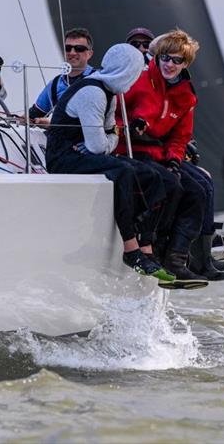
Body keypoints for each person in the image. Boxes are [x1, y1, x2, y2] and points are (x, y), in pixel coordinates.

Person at [45, 43, 175, 283]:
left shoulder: (109, 92)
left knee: (153, 176)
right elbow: (99, 144)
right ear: (127, 70)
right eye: (136, 71)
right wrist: (105, 140)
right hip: (63, 157)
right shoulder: (92, 92)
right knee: (123, 170)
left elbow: (107, 139)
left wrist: (105, 140)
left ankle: (146, 247)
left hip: (85, 154)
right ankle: (130, 248)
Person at [115, 29, 220, 284]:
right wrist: (130, 125)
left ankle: (178, 259)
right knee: (170, 186)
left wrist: (175, 158)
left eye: (177, 60)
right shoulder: (137, 80)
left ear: (185, 64)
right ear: (157, 57)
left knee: (196, 191)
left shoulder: (185, 95)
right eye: (165, 58)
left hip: (159, 154)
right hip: (130, 150)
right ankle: (154, 248)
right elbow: (111, 115)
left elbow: (180, 136)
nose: (170, 65)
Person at [28, 28, 96, 123]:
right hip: (59, 136)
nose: (72, 53)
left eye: (79, 49)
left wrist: (52, 124)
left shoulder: (98, 79)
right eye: (68, 48)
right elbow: (35, 114)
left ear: (89, 54)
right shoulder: (55, 84)